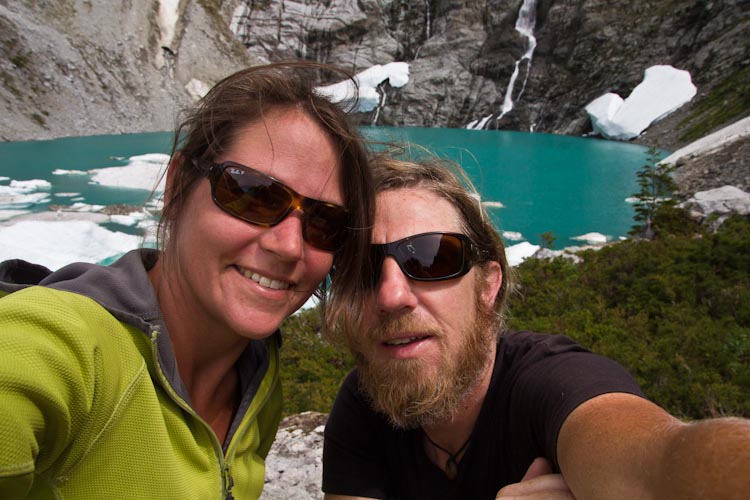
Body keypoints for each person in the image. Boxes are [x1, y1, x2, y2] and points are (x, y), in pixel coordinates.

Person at [0, 61, 373, 500]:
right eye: (252, 194)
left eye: (325, 223)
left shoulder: (258, 371)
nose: (290, 246)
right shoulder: (59, 344)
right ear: (177, 187)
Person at [321, 153, 750, 500]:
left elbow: (661, 462)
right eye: (360, 269)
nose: (391, 295)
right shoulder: (367, 399)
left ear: (488, 285)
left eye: (432, 258)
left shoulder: (555, 383)